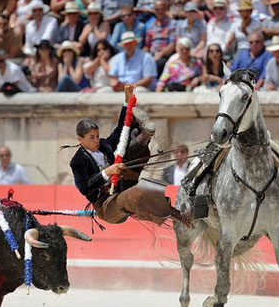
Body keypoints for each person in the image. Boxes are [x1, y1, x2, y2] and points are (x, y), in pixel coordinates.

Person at [69, 83, 191, 227]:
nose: (96, 140)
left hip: (121, 186)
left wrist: (127, 102)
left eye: (97, 135)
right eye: (91, 137)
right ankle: (182, 218)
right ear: (80, 139)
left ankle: (143, 137)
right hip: (106, 206)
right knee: (134, 194)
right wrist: (106, 172)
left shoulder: (102, 145)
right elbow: (84, 187)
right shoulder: (77, 161)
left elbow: (121, 130)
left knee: (132, 153)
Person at [143, 0, 178, 76]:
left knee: (157, 64)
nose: (159, 11)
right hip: (152, 55)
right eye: (157, 9)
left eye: (162, 9)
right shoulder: (150, 25)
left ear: (166, 9)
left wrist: (160, 54)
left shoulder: (172, 24)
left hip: (165, 55)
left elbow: (172, 45)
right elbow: (147, 45)